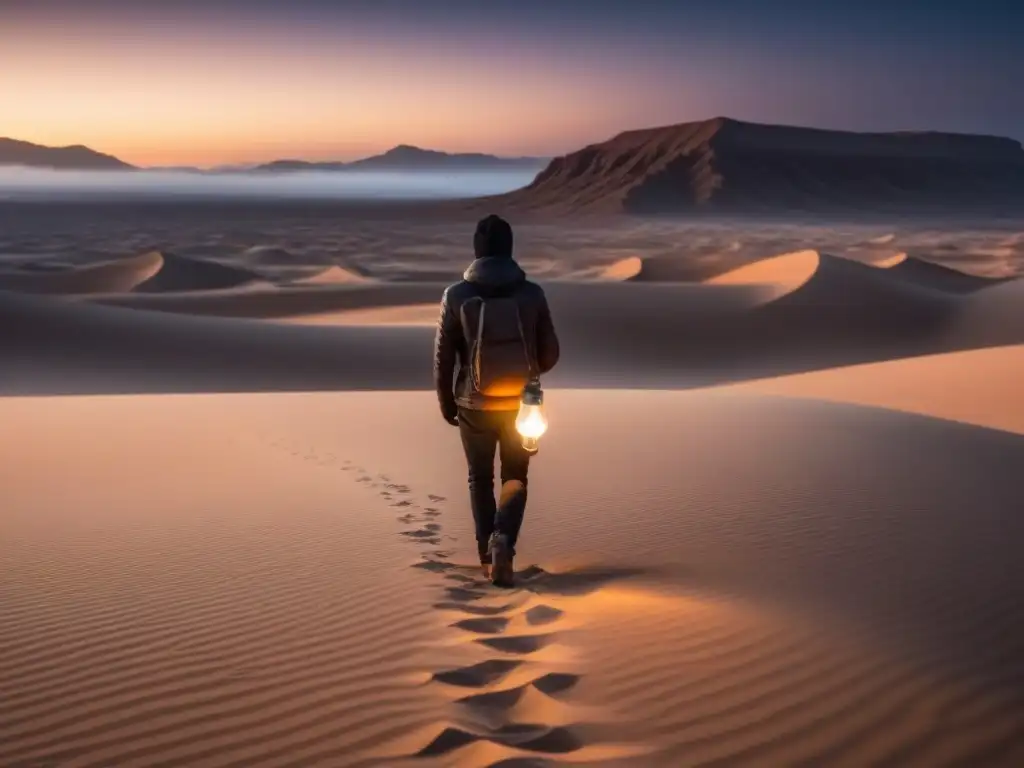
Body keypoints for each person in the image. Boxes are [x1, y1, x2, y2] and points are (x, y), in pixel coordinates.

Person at [433, 214, 560, 587]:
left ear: (477, 250)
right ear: (509, 248)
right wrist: (528, 369)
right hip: (523, 404)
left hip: (472, 403)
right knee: (515, 475)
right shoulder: (531, 293)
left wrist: (446, 401)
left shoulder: (456, 295)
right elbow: (551, 354)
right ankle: (504, 537)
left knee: (480, 478)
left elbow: (444, 357)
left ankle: (487, 559)